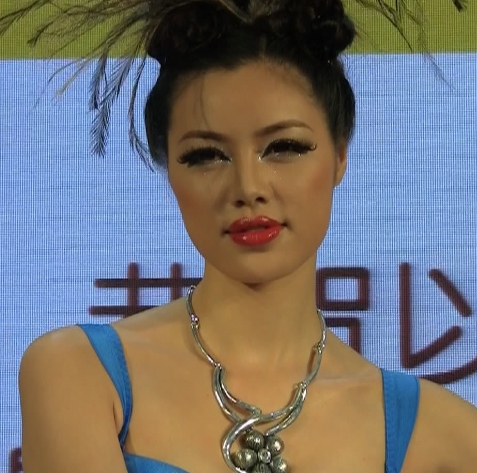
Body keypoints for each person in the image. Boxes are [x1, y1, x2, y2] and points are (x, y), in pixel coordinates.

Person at [1, 0, 475, 472]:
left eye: (284, 147)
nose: (248, 187)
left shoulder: (440, 434)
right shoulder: (78, 372)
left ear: (340, 156)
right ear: (169, 170)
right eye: (206, 156)